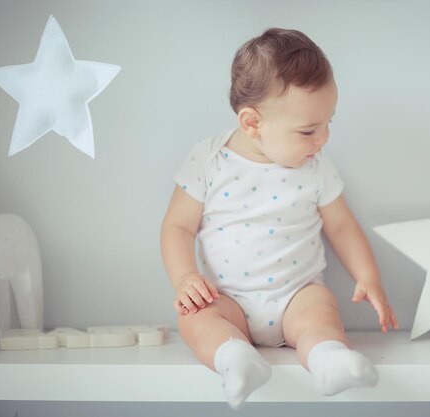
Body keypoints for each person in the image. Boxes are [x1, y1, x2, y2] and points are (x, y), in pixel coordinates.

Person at [161, 27, 398, 410]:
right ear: (252, 123)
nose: (322, 140)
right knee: (195, 318)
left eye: (327, 124)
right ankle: (234, 359)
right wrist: (185, 278)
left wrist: (368, 276)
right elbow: (177, 226)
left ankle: (328, 359)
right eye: (308, 130)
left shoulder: (316, 167)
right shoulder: (209, 159)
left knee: (320, 310)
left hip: (296, 295)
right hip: (229, 300)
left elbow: (341, 225)